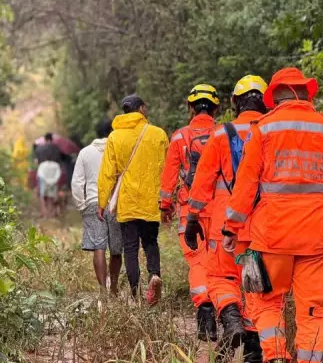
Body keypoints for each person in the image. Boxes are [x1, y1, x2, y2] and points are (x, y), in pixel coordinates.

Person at [224, 67, 323, 363]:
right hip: (317, 239)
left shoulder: (265, 128)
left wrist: (232, 228)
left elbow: (246, 184)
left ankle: (276, 356)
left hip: (271, 236)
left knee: (267, 303)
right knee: (314, 309)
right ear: (307, 93)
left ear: (275, 97)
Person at [185, 76, 269, 362]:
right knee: (260, 290)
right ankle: (255, 351)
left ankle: (231, 314)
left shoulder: (222, 134)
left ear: (235, 103)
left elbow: (202, 181)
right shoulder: (273, 132)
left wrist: (192, 218)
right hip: (264, 226)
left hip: (225, 223)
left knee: (220, 277)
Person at [159, 84, 220, 341]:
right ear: (215, 107)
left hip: (189, 210)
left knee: (196, 260)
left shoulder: (179, 137)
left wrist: (165, 206)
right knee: (219, 262)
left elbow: (169, 176)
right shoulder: (223, 134)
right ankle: (225, 308)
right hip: (219, 210)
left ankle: (204, 310)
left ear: (190, 107)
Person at [97, 94, 168, 304]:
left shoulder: (115, 137)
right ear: (142, 109)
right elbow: (166, 168)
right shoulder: (158, 134)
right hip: (150, 200)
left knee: (130, 247)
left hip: (127, 202)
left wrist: (102, 203)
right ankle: (154, 274)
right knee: (150, 242)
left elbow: (107, 173)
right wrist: (168, 200)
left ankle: (136, 292)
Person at [72, 119, 122, 296]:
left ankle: (102, 289)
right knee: (116, 249)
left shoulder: (85, 152)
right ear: (112, 131)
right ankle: (114, 288)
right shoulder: (117, 149)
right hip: (116, 203)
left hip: (93, 203)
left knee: (98, 247)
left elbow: (77, 181)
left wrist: (82, 204)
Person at [35, 133, 63, 218]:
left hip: (43, 169)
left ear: (45, 139)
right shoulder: (56, 147)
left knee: (43, 193)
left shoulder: (39, 148)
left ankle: (44, 212)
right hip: (54, 170)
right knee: (52, 192)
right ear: (51, 139)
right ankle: (53, 212)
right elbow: (60, 159)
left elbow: (37, 160)